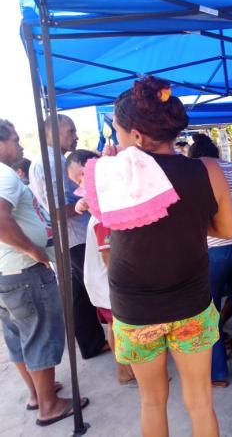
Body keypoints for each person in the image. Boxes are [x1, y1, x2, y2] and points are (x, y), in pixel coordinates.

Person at [100, 76, 232, 437]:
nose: (115, 138)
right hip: (190, 302)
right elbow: (226, 230)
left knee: (152, 402)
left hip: (135, 307)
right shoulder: (207, 170)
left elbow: (110, 223)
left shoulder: (112, 174)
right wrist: (187, 221)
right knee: (201, 402)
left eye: (117, 130)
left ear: (138, 136)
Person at [0, 119, 89, 426]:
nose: (20, 144)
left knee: (19, 337)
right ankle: (49, 405)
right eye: (14, 139)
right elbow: (1, 220)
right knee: (38, 336)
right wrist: (34, 251)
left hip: (6, 273)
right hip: (22, 271)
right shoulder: (5, 175)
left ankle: (38, 394)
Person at [29, 114, 108, 359]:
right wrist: (84, 204)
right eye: (70, 132)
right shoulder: (48, 163)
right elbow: (55, 208)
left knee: (78, 293)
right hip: (76, 236)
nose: (75, 137)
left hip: (76, 234)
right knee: (100, 284)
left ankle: (91, 343)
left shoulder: (56, 160)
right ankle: (107, 341)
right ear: (51, 133)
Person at [189, 133, 232, 387]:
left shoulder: (197, 171)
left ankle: (218, 372)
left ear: (195, 155)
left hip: (214, 248)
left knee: (210, 310)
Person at [66, 149, 136, 385]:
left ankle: (124, 368)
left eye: (84, 175)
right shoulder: (103, 218)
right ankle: (124, 370)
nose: (83, 183)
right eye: (78, 180)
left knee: (117, 326)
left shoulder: (106, 209)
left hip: (105, 283)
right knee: (120, 327)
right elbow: (110, 261)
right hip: (109, 283)